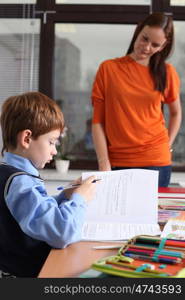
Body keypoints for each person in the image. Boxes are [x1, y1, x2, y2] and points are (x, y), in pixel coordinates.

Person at [0, 91, 96, 278]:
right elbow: (61, 232)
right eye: (51, 142)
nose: (54, 151)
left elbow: (35, 210)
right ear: (26, 139)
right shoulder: (21, 182)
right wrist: (80, 199)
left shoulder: (10, 173)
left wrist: (65, 196)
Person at [91, 12, 182, 187]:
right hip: (117, 162)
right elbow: (98, 122)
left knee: (155, 215)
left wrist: (167, 145)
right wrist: (103, 162)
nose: (147, 47)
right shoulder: (109, 69)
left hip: (157, 163)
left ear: (164, 46)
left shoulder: (167, 72)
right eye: (144, 39)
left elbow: (176, 113)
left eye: (155, 45)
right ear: (138, 31)